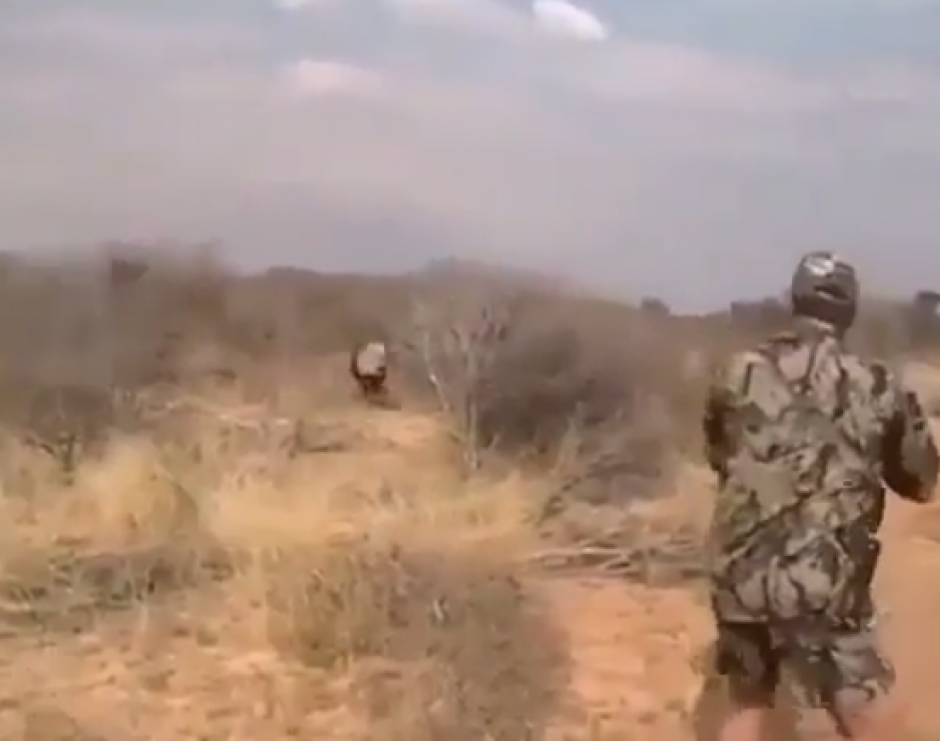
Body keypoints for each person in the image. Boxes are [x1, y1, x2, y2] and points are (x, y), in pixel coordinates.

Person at [703, 251, 939, 741]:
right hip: (825, 582)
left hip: (743, 573)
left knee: (748, 699)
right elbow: (919, 482)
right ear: (849, 310)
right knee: (861, 706)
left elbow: (720, 456)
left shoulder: (735, 372)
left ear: (796, 301)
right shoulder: (877, 385)